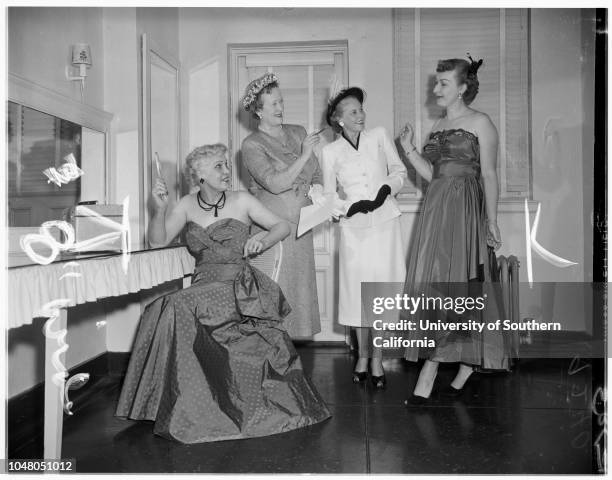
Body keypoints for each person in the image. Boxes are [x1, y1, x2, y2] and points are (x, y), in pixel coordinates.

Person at [115, 144, 331, 443]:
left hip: (238, 286)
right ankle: (178, 405)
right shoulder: (186, 205)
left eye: (227, 165)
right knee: (164, 306)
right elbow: (156, 242)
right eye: (219, 166)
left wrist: (263, 241)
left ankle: (185, 408)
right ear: (199, 174)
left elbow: (282, 225)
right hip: (204, 285)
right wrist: (160, 209)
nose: (227, 171)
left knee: (176, 303)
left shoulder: (242, 200)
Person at [399, 56, 508, 405]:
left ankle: (432, 367)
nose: (436, 89)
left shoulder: (481, 123)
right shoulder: (439, 125)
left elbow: (489, 176)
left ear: (462, 87)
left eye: (443, 83)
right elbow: (433, 175)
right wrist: (409, 149)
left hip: (464, 212)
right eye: (436, 82)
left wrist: (491, 221)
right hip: (435, 212)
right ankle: (463, 364)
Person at [318, 87, 407, 389]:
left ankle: (378, 358)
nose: (361, 115)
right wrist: (350, 207)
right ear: (338, 119)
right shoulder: (330, 153)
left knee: (380, 292)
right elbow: (329, 198)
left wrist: (385, 190)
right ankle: (362, 355)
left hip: (385, 222)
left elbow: (398, 171)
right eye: (353, 112)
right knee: (357, 292)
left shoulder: (379, 136)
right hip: (354, 228)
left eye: (361, 109)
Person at [241, 73, 323, 338]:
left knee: (298, 303)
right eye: (273, 104)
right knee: (275, 300)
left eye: (281, 101)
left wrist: (319, 191)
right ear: (259, 111)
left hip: (302, 226)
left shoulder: (297, 131)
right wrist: (305, 154)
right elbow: (275, 184)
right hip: (275, 230)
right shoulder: (251, 144)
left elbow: (316, 172)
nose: (280, 108)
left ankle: (289, 368)